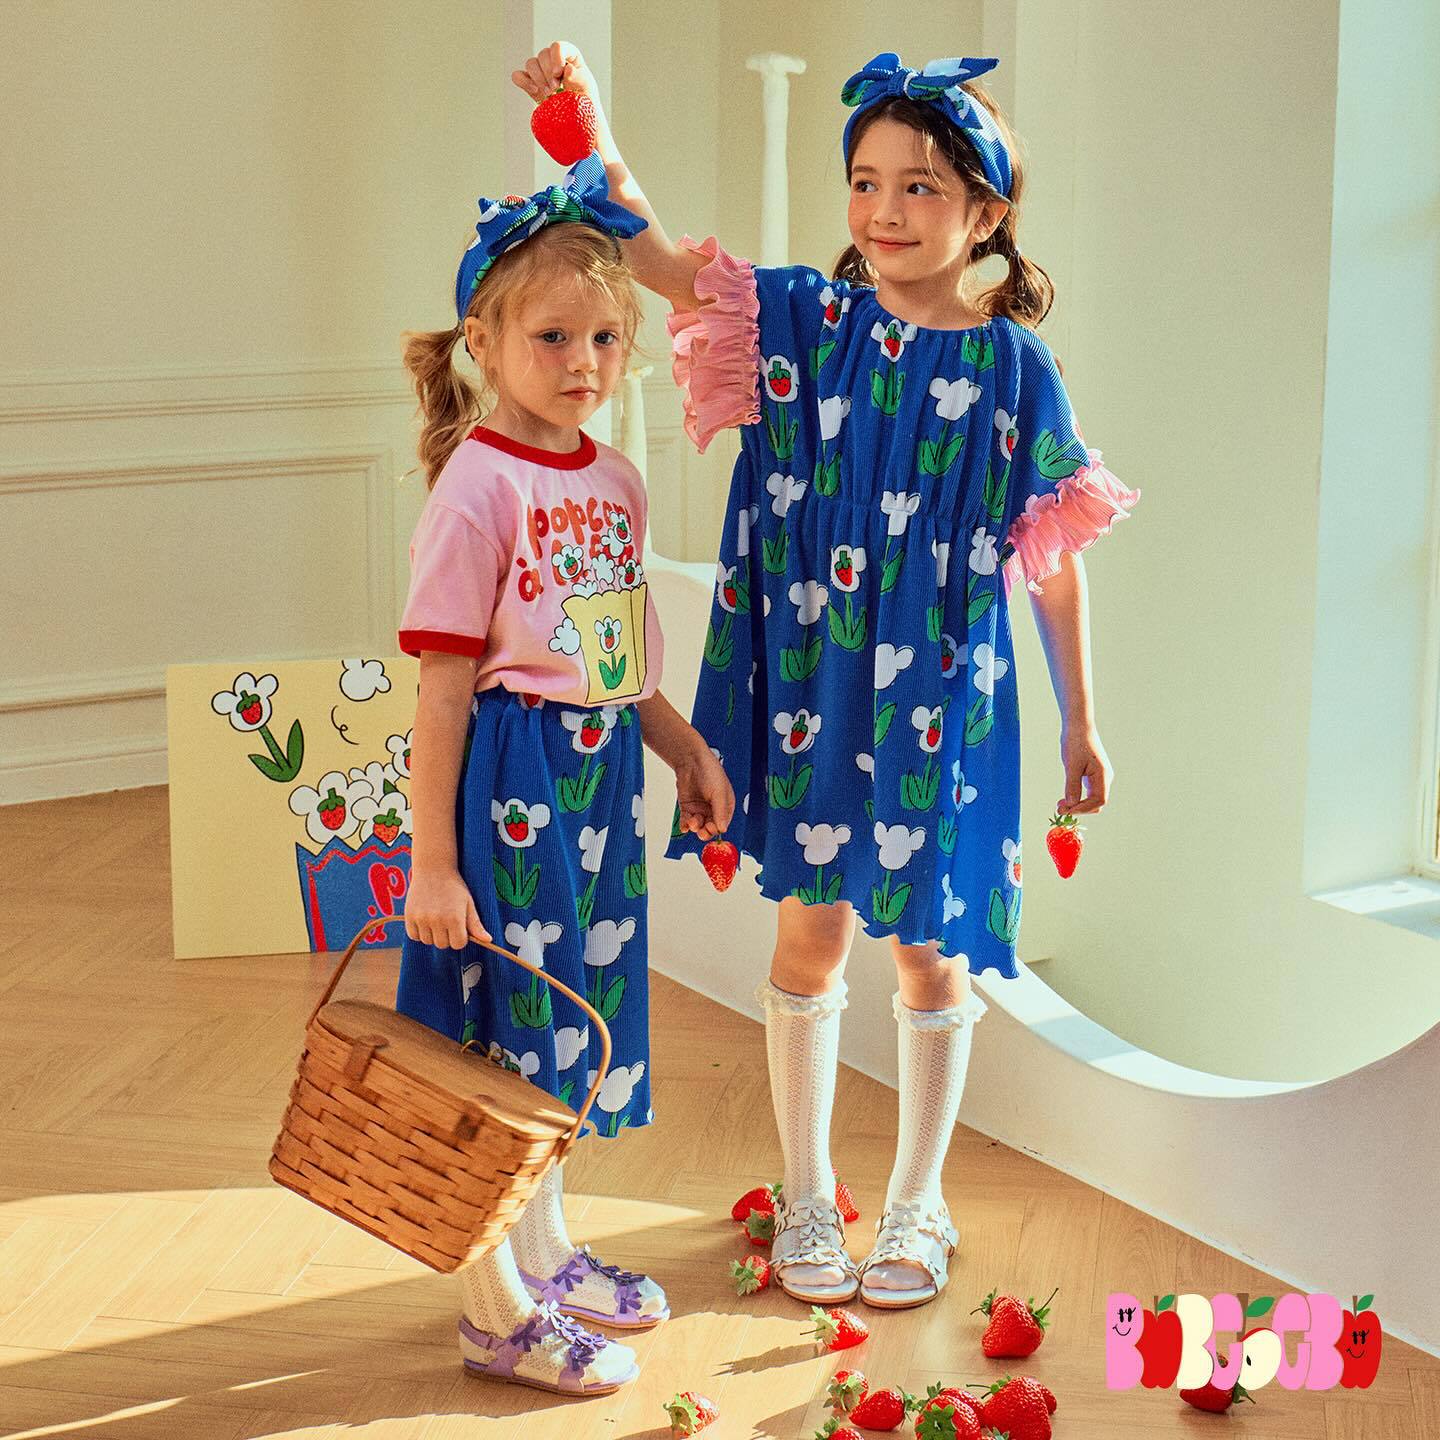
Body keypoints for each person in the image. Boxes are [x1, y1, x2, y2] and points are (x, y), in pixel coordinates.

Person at [512, 45, 1140, 1312]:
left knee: (928, 956)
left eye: (919, 186)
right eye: (866, 182)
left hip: (939, 700)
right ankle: (807, 1190)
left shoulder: (1017, 371)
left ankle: (918, 1201)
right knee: (808, 938)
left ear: (985, 213)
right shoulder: (806, 321)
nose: (884, 211)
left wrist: (1082, 718)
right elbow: (650, 251)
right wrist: (586, 123)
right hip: (812, 680)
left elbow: (1055, 562)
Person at [396, 153, 733, 1393]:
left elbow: (617, 661)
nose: (582, 360)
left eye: (604, 336)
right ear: (485, 343)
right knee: (504, 1034)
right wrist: (433, 863)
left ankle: (542, 1253)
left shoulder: (615, 482)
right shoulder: (476, 489)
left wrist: (684, 748)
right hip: (511, 784)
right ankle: (492, 1311)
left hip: (599, 786)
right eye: (551, 336)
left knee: (568, 1025)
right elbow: (442, 692)